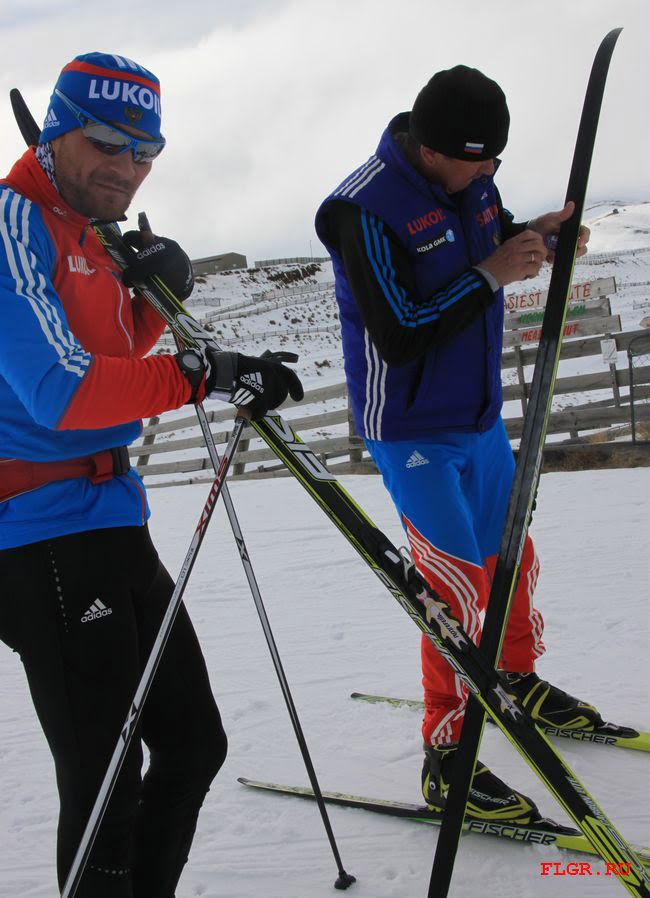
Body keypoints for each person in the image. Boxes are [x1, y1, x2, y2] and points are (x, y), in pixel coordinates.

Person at [0, 52, 303, 898]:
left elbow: (110, 356)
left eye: (146, 152)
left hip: (108, 513)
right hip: (35, 529)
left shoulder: (87, 227)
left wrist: (150, 302)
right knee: (104, 783)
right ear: (55, 133)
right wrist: (207, 375)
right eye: (106, 144)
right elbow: (62, 391)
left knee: (194, 743)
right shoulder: (13, 223)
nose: (127, 169)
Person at [315, 65, 602, 824]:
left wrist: (533, 237)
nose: (489, 174)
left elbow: (486, 238)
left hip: (477, 417)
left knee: (512, 557)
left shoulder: (473, 183)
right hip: (411, 428)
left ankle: (513, 678)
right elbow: (400, 334)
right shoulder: (364, 209)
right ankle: (447, 756)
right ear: (431, 149)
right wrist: (490, 274)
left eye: (496, 161)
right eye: (479, 163)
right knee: (454, 590)